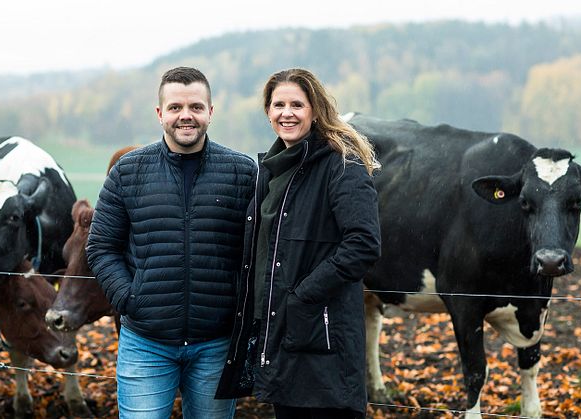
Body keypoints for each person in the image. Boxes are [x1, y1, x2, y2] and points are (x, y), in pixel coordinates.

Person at [86, 66, 256, 419]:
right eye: (176, 107)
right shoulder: (128, 172)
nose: (186, 116)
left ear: (211, 111)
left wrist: (236, 304)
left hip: (216, 343)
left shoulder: (242, 173)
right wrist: (130, 299)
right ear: (160, 113)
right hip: (146, 344)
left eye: (195, 106)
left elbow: (258, 250)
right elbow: (101, 246)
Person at [215, 68, 381, 419]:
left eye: (296, 104)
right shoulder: (273, 169)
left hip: (324, 338)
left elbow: (364, 243)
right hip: (281, 334)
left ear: (315, 109)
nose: (286, 112)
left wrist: (303, 295)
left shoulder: (341, 163)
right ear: (267, 112)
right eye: (278, 104)